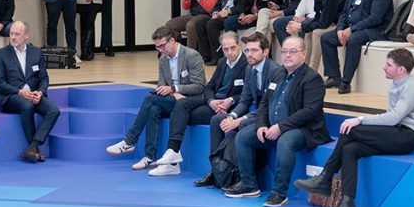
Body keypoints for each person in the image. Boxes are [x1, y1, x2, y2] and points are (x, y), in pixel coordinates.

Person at [296, 48, 414, 207]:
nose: (384, 67)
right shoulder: (395, 84)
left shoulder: (412, 87)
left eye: (388, 65)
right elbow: (391, 118)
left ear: (401, 69)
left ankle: (325, 177)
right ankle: (348, 204)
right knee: (350, 150)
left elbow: (394, 118)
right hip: (396, 132)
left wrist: (360, 119)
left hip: (407, 136)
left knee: (351, 129)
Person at [224, 35, 330, 207]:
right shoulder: (278, 74)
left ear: (304, 54)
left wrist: (280, 127)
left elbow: (310, 112)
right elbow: (265, 103)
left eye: (293, 51)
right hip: (273, 126)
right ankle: (249, 185)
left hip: (304, 129)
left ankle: (279, 193)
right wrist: (261, 125)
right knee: (243, 136)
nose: (287, 55)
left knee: (286, 141)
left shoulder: (312, 79)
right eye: (284, 51)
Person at [106, 26, 205, 170]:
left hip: (192, 99)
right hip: (173, 98)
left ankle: (130, 141)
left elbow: (199, 86)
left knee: (149, 99)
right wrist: (170, 92)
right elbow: (161, 85)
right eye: (157, 47)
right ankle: (150, 157)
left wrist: (174, 89)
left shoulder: (192, 55)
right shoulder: (163, 59)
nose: (160, 50)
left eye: (162, 46)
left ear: (172, 40)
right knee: (153, 109)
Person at [151, 32, 248, 177]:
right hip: (213, 102)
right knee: (182, 105)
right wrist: (211, 100)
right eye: (225, 49)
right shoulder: (222, 62)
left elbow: (248, 93)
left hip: (230, 107)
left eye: (232, 48)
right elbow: (209, 87)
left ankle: (172, 160)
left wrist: (230, 100)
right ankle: (172, 152)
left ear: (239, 45)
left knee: (181, 115)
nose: (229, 52)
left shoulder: (247, 63)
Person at [196, 32, 283, 188]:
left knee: (242, 126)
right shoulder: (250, 69)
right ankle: (217, 170)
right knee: (217, 120)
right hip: (257, 113)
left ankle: (235, 174)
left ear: (265, 52)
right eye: (247, 50)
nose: (249, 54)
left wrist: (240, 120)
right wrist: (232, 115)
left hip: (270, 117)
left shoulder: (275, 72)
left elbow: (269, 108)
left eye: (254, 50)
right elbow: (245, 100)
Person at [320, 0, 393, 94]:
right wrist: (340, 29)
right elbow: (344, 11)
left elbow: (375, 18)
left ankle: (346, 82)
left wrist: (351, 30)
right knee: (326, 38)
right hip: (353, 27)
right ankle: (334, 77)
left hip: (375, 30)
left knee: (353, 39)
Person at [0, 20, 60, 163]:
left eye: (17, 34)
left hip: (33, 94)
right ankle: (34, 149)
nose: (13, 37)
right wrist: (19, 92)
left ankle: (32, 147)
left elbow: (44, 78)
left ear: (26, 36)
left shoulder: (36, 52)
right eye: (11, 33)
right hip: (12, 96)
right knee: (27, 105)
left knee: (54, 110)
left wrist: (40, 92)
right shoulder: (1, 54)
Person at [273, 0, 345, 73]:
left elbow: (324, 23)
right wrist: (300, 25)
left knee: (316, 32)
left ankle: (312, 69)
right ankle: (303, 66)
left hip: (343, 24)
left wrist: (301, 26)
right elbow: (317, 17)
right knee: (308, 31)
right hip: (332, 22)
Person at [200, 0, 243, 65]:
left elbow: (244, 5)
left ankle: (218, 57)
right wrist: (215, 12)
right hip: (221, 14)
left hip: (233, 14)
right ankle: (206, 55)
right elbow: (218, 3)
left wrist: (228, 11)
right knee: (200, 23)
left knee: (211, 24)